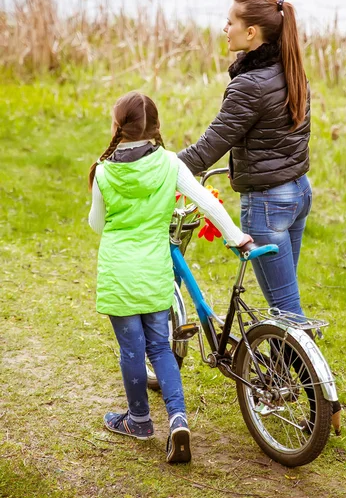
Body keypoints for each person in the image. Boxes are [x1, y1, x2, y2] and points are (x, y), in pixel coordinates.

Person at [178, 0, 341, 429]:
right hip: (298, 194)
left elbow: (211, 145)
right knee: (285, 305)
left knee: (286, 311)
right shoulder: (293, 70)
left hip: (267, 205)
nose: (224, 28)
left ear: (251, 33)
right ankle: (307, 392)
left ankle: (323, 402)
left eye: (230, 21)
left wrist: (162, 169)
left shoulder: (249, 84)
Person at [88, 91, 252, 464]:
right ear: (155, 127)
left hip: (120, 274)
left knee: (131, 350)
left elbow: (97, 224)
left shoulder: (104, 170)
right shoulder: (170, 164)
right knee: (160, 348)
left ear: (117, 128)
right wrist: (236, 236)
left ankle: (140, 420)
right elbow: (208, 203)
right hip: (154, 272)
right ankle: (178, 419)